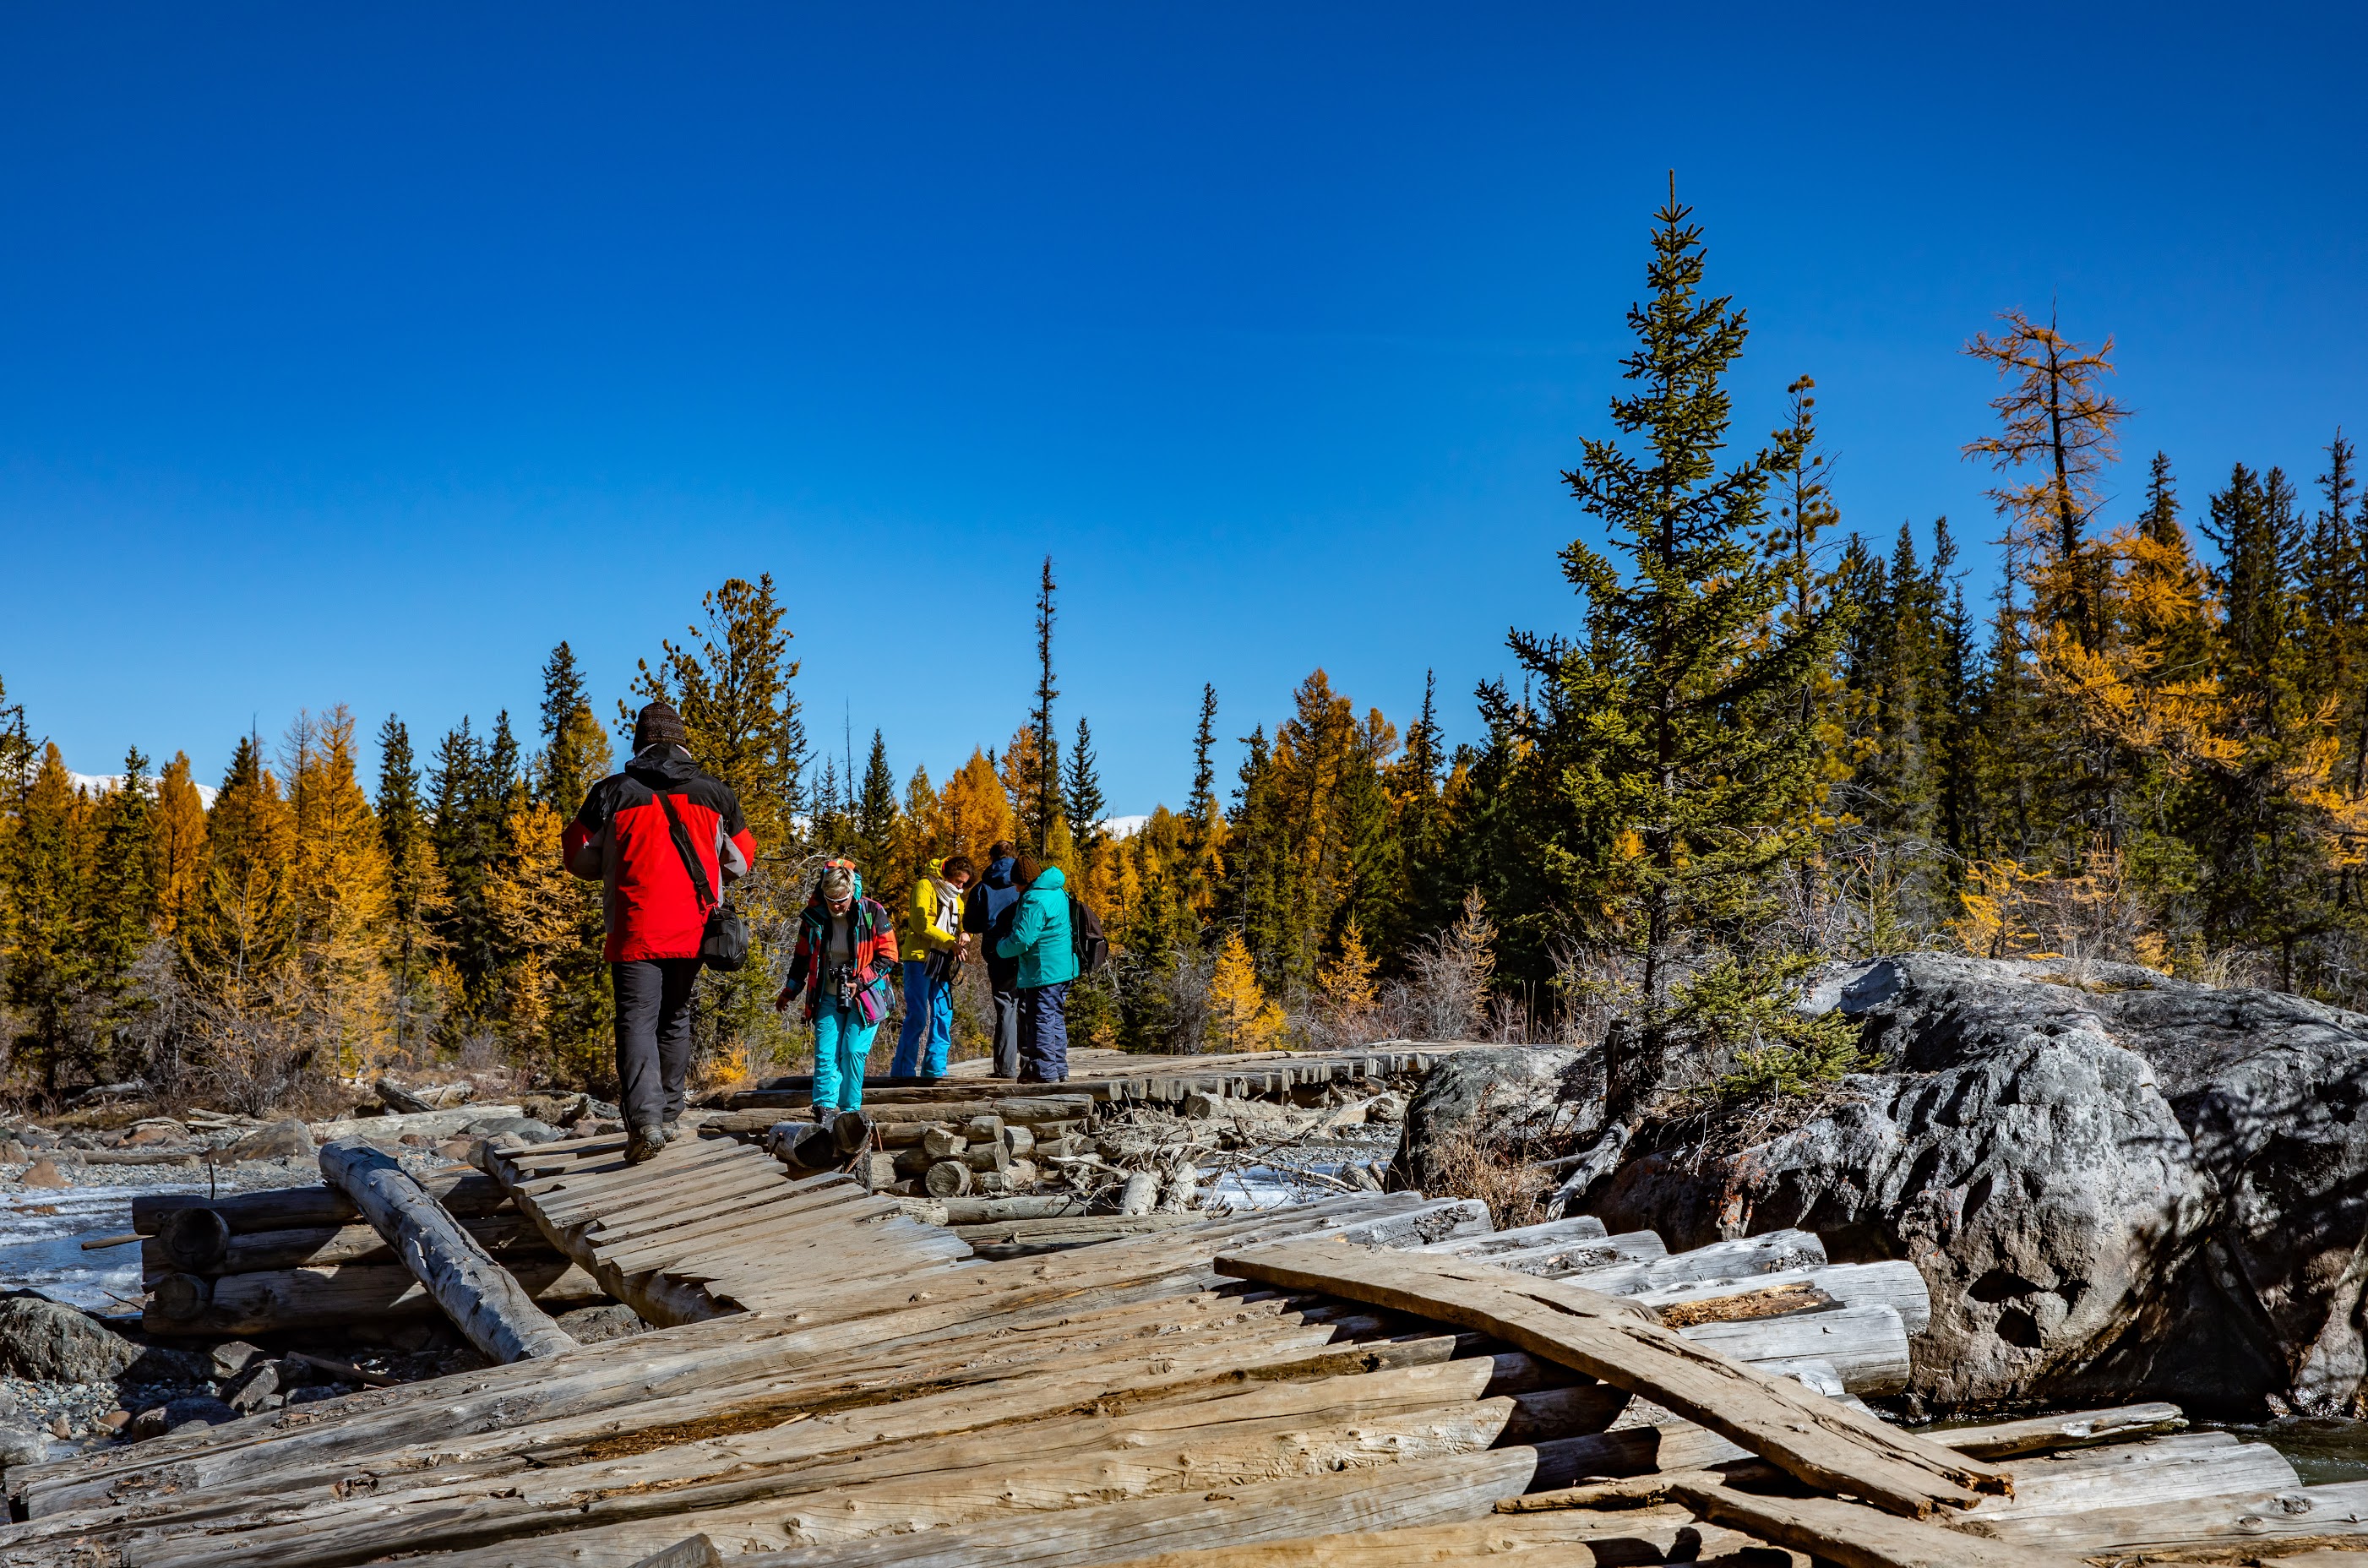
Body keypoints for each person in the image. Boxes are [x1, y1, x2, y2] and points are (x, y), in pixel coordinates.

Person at [563, 700, 755, 1164]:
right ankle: (669, 1116)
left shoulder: (612, 791)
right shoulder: (716, 794)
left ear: (639, 742)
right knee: (675, 1017)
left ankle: (645, 1122)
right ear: (682, 740)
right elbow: (742, 860)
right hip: (693, 928)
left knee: (637, 1020)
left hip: (635, 927)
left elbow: (575, 853)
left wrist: (611, 863)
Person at [775, 860, 899, 1118]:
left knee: (853, 1051)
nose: (837, 905)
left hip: (867, 996)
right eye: (831, 899)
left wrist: (860, 980)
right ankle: (825, 1110)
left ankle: (850, 1113)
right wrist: (790, 991)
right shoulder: (814, 917)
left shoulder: (872, 912)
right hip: (827, 995)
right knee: (826, 1055)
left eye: (842, 899)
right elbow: (801, 957)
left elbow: (889, 955)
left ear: (853, 891)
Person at [995, 853, 1078, 1083]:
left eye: (1017, 885)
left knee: (1039, 1020)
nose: (1016, 890)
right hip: (1063, 968)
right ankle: (1060, 1070)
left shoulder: (1034, 899)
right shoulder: (1057, 891)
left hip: (1043, 971)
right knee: (1054, 1019)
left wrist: (1000, 948)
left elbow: (1023, 939)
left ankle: (1044, 1074)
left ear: (1024, 881)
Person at [890, 853, 973, 1079]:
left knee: (943, 1014)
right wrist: (949, 941)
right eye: (958, 881)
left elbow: (964, 922)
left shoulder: (957, 899)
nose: (960, 886)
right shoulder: (925, 886)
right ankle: (903, 1071)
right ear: (947, 874)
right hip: (919, 958)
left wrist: (966, 933)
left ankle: (935, 1067)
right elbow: (919, 923)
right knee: (917, 1015)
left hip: (944, 960)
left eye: (964, 883)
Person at [962, 841, 1026, 1078]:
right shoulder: (1026, 884)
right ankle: (1030, 1066)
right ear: (1014, 857)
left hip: (996, 950)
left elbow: (971, 924)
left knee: (1006, 1006)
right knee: (1027, 1005)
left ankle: (1005, 1068)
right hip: (1023, 949)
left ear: (992, 858)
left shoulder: (983, 888)